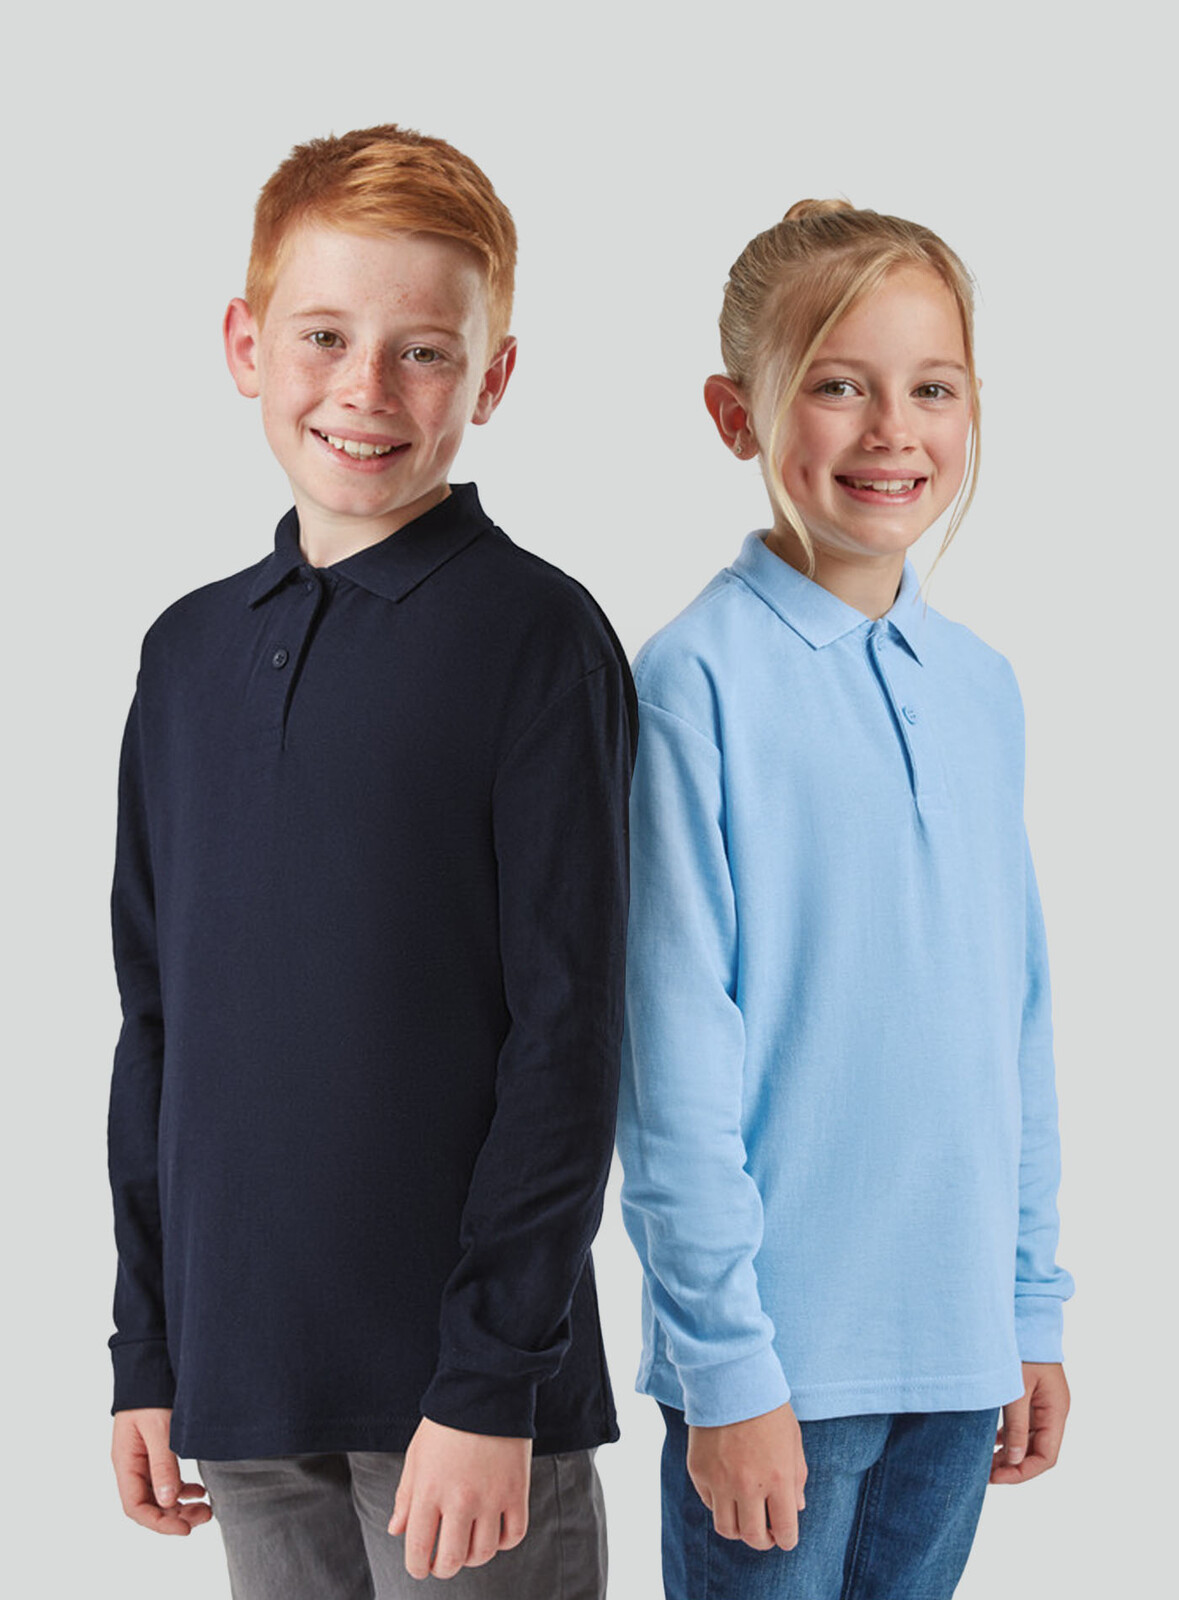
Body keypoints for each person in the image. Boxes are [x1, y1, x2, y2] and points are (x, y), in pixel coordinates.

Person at [107, 124, 635, 1600]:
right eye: (325, 336)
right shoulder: (188, 653)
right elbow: (158, 1026)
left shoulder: (536, 638)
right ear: (247, 343)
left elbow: (570, 1034)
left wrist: (491, 1378)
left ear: (493, 378)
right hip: (243, 1387)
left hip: (464, 1408)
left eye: (424, 353)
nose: (366, 389)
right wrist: (149, 1350)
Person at [617, 200, 1073, 1599]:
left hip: (959, 1359)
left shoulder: (982, 688)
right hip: (778, 1371)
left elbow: (1015, 1023)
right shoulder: (692, 683)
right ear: (734, 414)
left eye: (932, 387)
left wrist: (1027, 1307)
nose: (892, 431)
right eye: (837, 384)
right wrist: (726, 1366)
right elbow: (669, 1063)